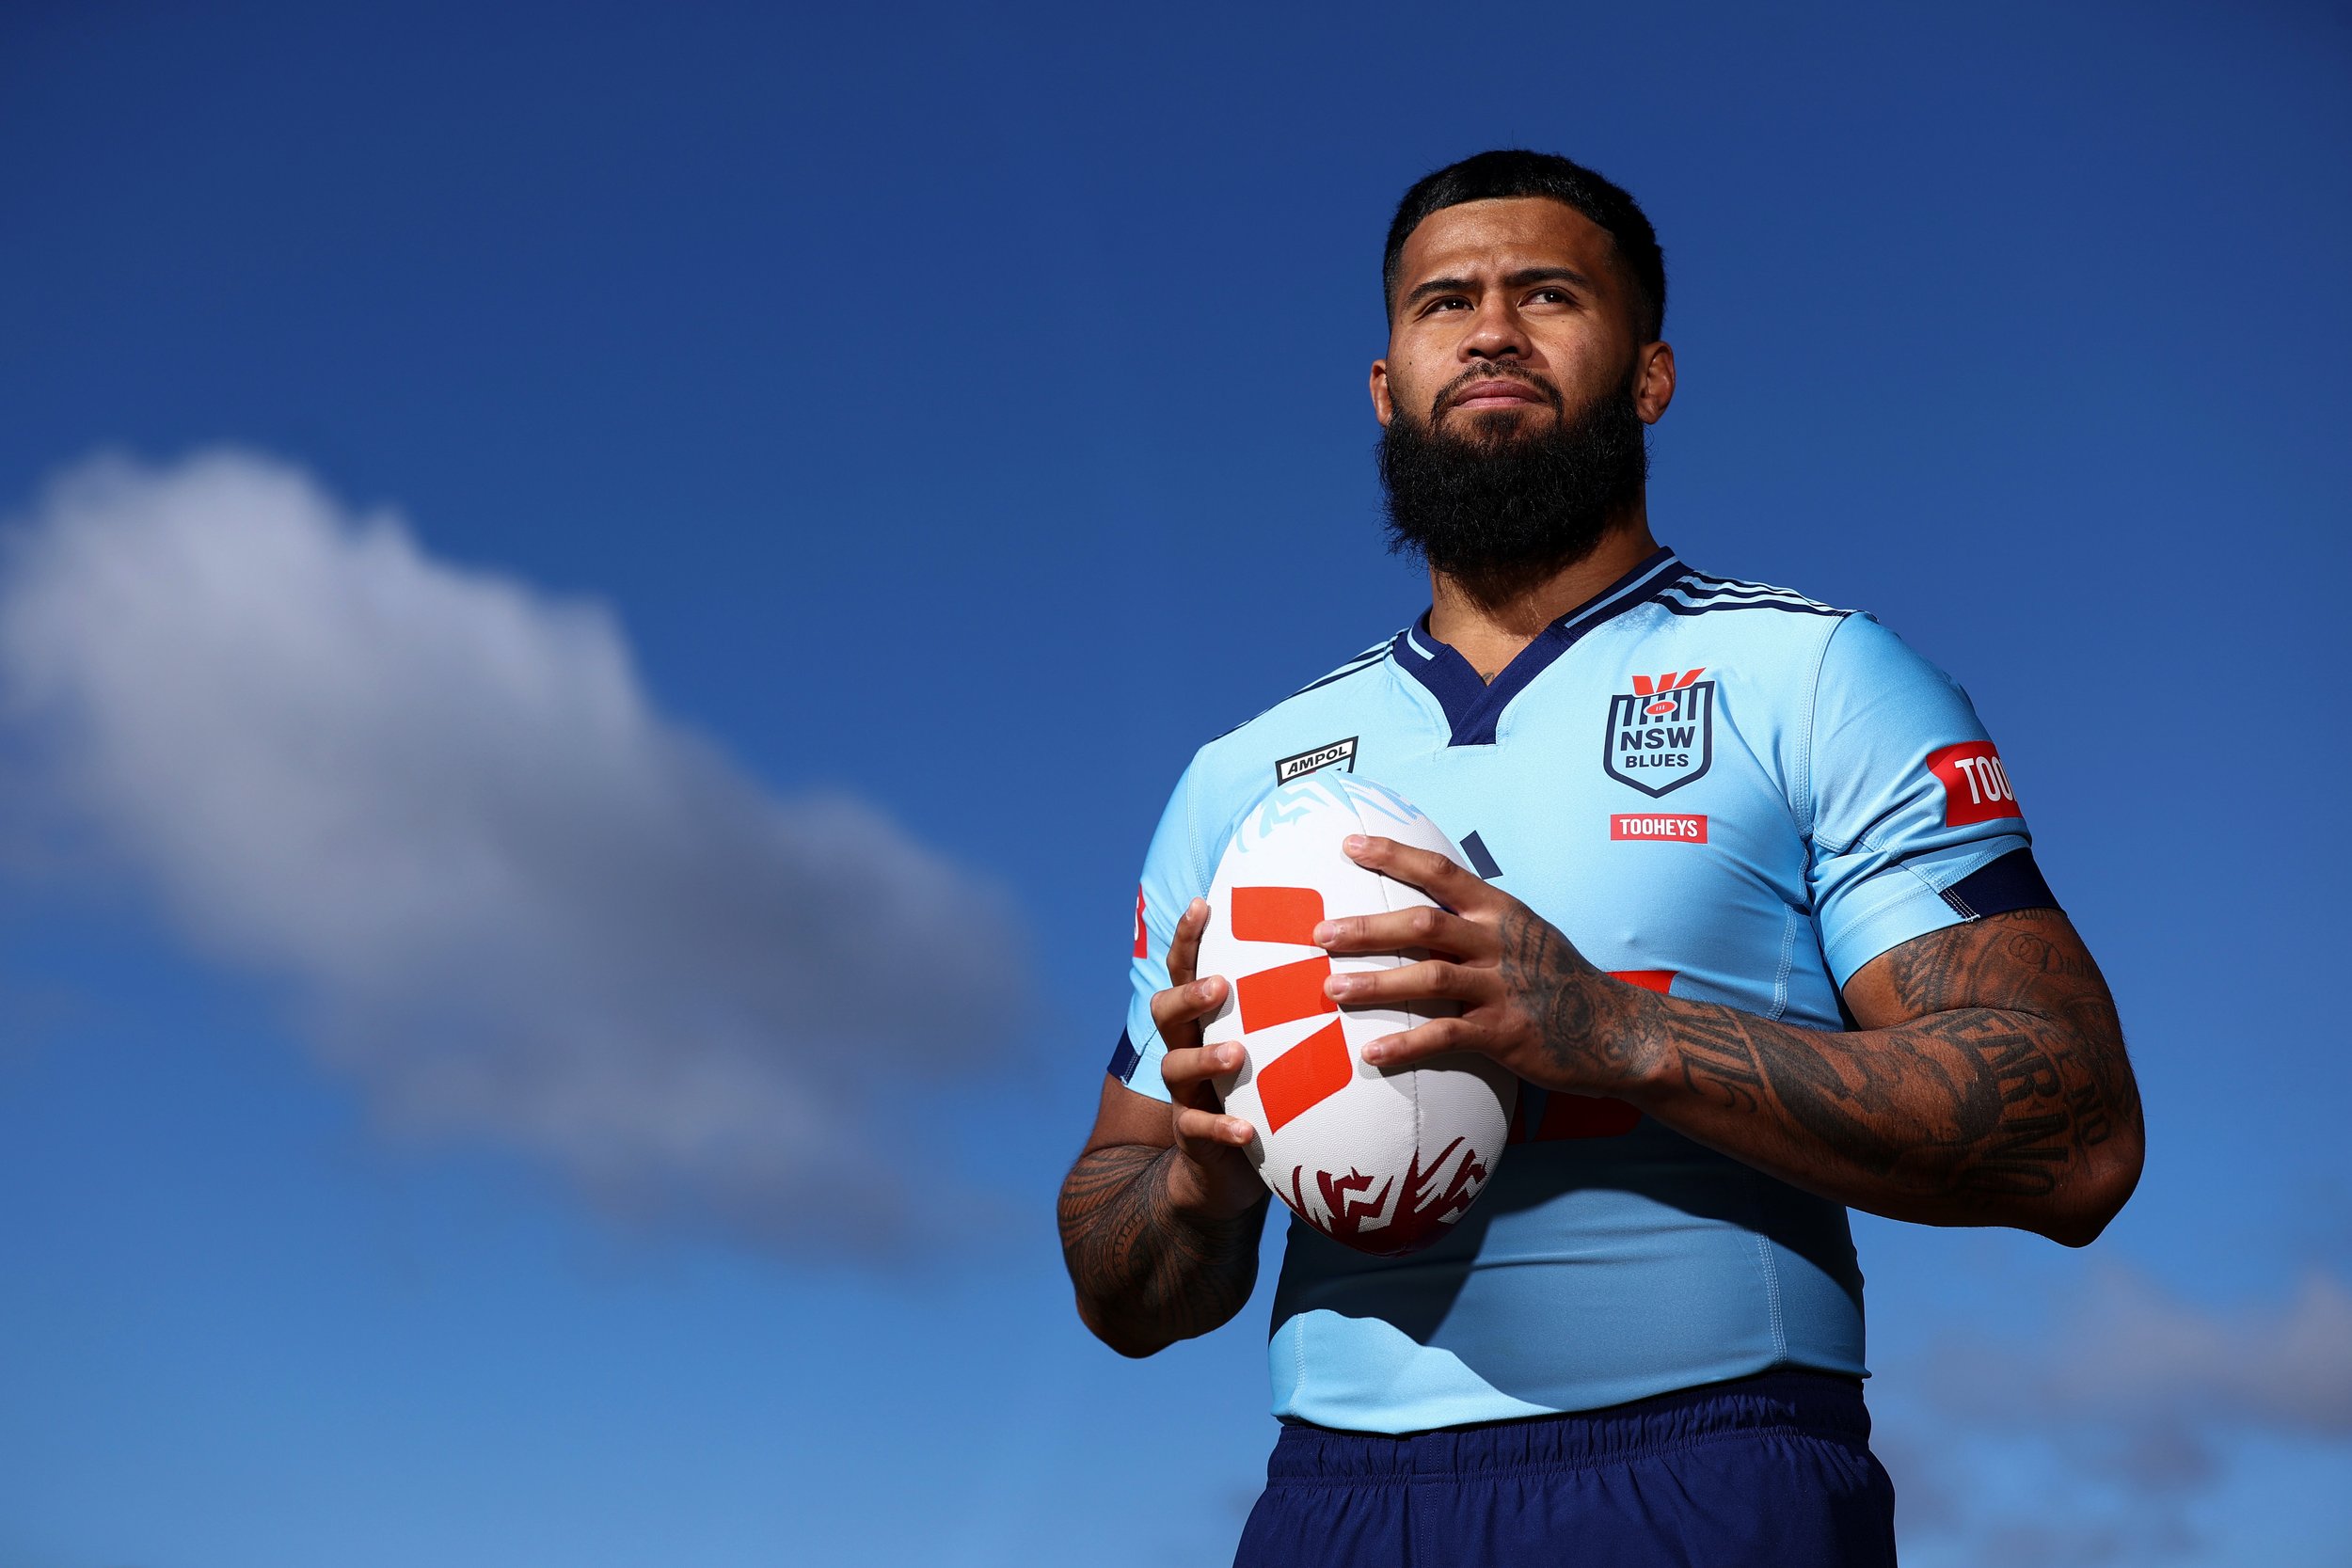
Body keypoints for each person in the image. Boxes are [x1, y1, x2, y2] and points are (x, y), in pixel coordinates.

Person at [1056, 150, 2143, 1567]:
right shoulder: (1243, 783)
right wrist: (1200, 1194)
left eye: (1547, 292)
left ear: (1650, 375)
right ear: (1387, 386)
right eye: (1444, 302)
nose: (1491, 327)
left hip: (1711, 1470)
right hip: (1337, 1503)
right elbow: (1116, 1273)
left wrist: (1616, 1033)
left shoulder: (1814, 678)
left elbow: (2081, 1141)